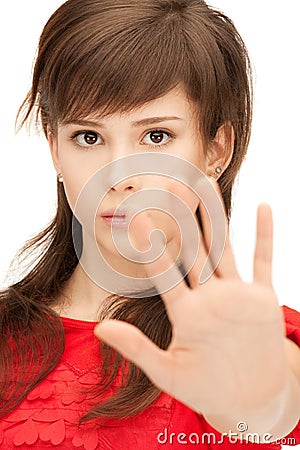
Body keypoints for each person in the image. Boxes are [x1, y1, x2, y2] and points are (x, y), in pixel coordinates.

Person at [0, 0, 299, 448]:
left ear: (216, 149)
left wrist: (256, 398)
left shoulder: (258, 342)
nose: (118, 175)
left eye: (156, 136)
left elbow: (268, 413)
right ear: (55, 150)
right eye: (88, 137)